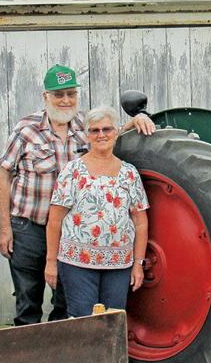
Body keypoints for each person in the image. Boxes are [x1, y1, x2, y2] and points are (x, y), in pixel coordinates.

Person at [0, 64, 155, 325]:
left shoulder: (84, 125)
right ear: (45, 96)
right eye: (59, 95)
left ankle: (61, 357)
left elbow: (107, 134)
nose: (66, 100)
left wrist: (135, 122)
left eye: (71, 93)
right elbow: (3, 175)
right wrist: (5, 227)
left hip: (69, 232)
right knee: (28, 298)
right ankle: (30, 359)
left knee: (64, 302)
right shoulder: (26, 130)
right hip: (30, 227)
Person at [45, 106, 148, 316]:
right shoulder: (72, 172)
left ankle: (111, 352)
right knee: (83, 321)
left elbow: (140, 221)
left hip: (118, 265)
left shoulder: (129, 173)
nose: (101, 135)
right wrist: (51, 263)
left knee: (113, 321)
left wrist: (138, 264)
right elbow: (54, 221)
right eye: (94, 130)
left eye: (107, 129)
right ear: (87, 135)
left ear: (116, 132)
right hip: (77, 264)